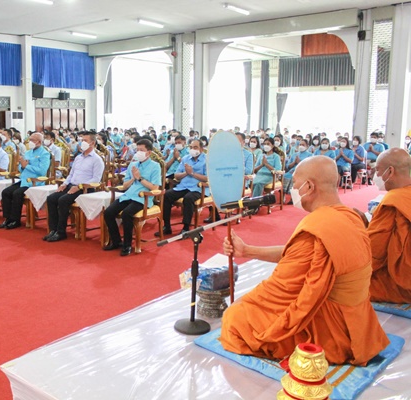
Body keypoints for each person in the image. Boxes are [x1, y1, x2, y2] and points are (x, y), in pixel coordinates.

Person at [221, 156, 389, 365]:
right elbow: (298, 255)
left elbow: (279, 290)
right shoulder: (350, 216)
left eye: (295, 184)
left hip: (332, 330)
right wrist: (247, 250)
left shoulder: (318, 226)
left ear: (308, 187)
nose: (293, 190)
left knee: (235, 317)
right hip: (360, 322)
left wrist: (247, 303)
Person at [103, 139, 162, 256]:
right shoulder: (133, 164)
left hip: (143, 198)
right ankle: (116, 241)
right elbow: (125, 185)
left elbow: (155, 188)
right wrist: (134, 178)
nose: (138, 152)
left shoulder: (155, 166)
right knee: (108, 212)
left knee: (126, 214)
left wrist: (140, 178)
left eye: (142, 150)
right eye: (137, 150)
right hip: (129, 195)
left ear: (149, 152)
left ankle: (127, 245)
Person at [43, 132, 105, 242]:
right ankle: (53, 229)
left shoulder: (97, 160)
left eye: (85, 140)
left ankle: (61, 232)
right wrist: (64, 184)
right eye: (82, 140)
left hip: (85, 189)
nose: (82, 142)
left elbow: (96, 180)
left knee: (63, 200)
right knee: (51, 198)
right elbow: (71, 174)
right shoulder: (78, 157)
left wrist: (79, 186)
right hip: (71, 185)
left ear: (92, 143)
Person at [368, 148, 411, 303]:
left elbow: (372, 256)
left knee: (342, 285)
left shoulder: (393, 201)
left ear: (390, 171)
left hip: (403, 284)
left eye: (378, 170)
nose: (376, 176)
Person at [0, 133, 51, 230]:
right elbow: (21, 168)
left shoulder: (44, 153)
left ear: (39, 141)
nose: (29, 142)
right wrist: (22, 166)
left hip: (35, 182)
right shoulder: (28, 152)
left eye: (32, 140)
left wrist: (27, 166)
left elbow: (42, 171)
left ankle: (15, 220)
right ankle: (7, 218)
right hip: (23, 180)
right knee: (6, 192)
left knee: (17, 194)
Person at [159, 139, 208, 235]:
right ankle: (167, 226)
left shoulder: (207, 160)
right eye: (191, 147)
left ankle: (186, 227)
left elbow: (207, 178)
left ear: (201, 149)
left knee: (188, 198)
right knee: (166, 195)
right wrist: (186, 173)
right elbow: (176, 175)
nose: (192, 150)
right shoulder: (185, 158)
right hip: (183, 186)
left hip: (198, 188)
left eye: (195, 147)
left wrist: (192, 173)